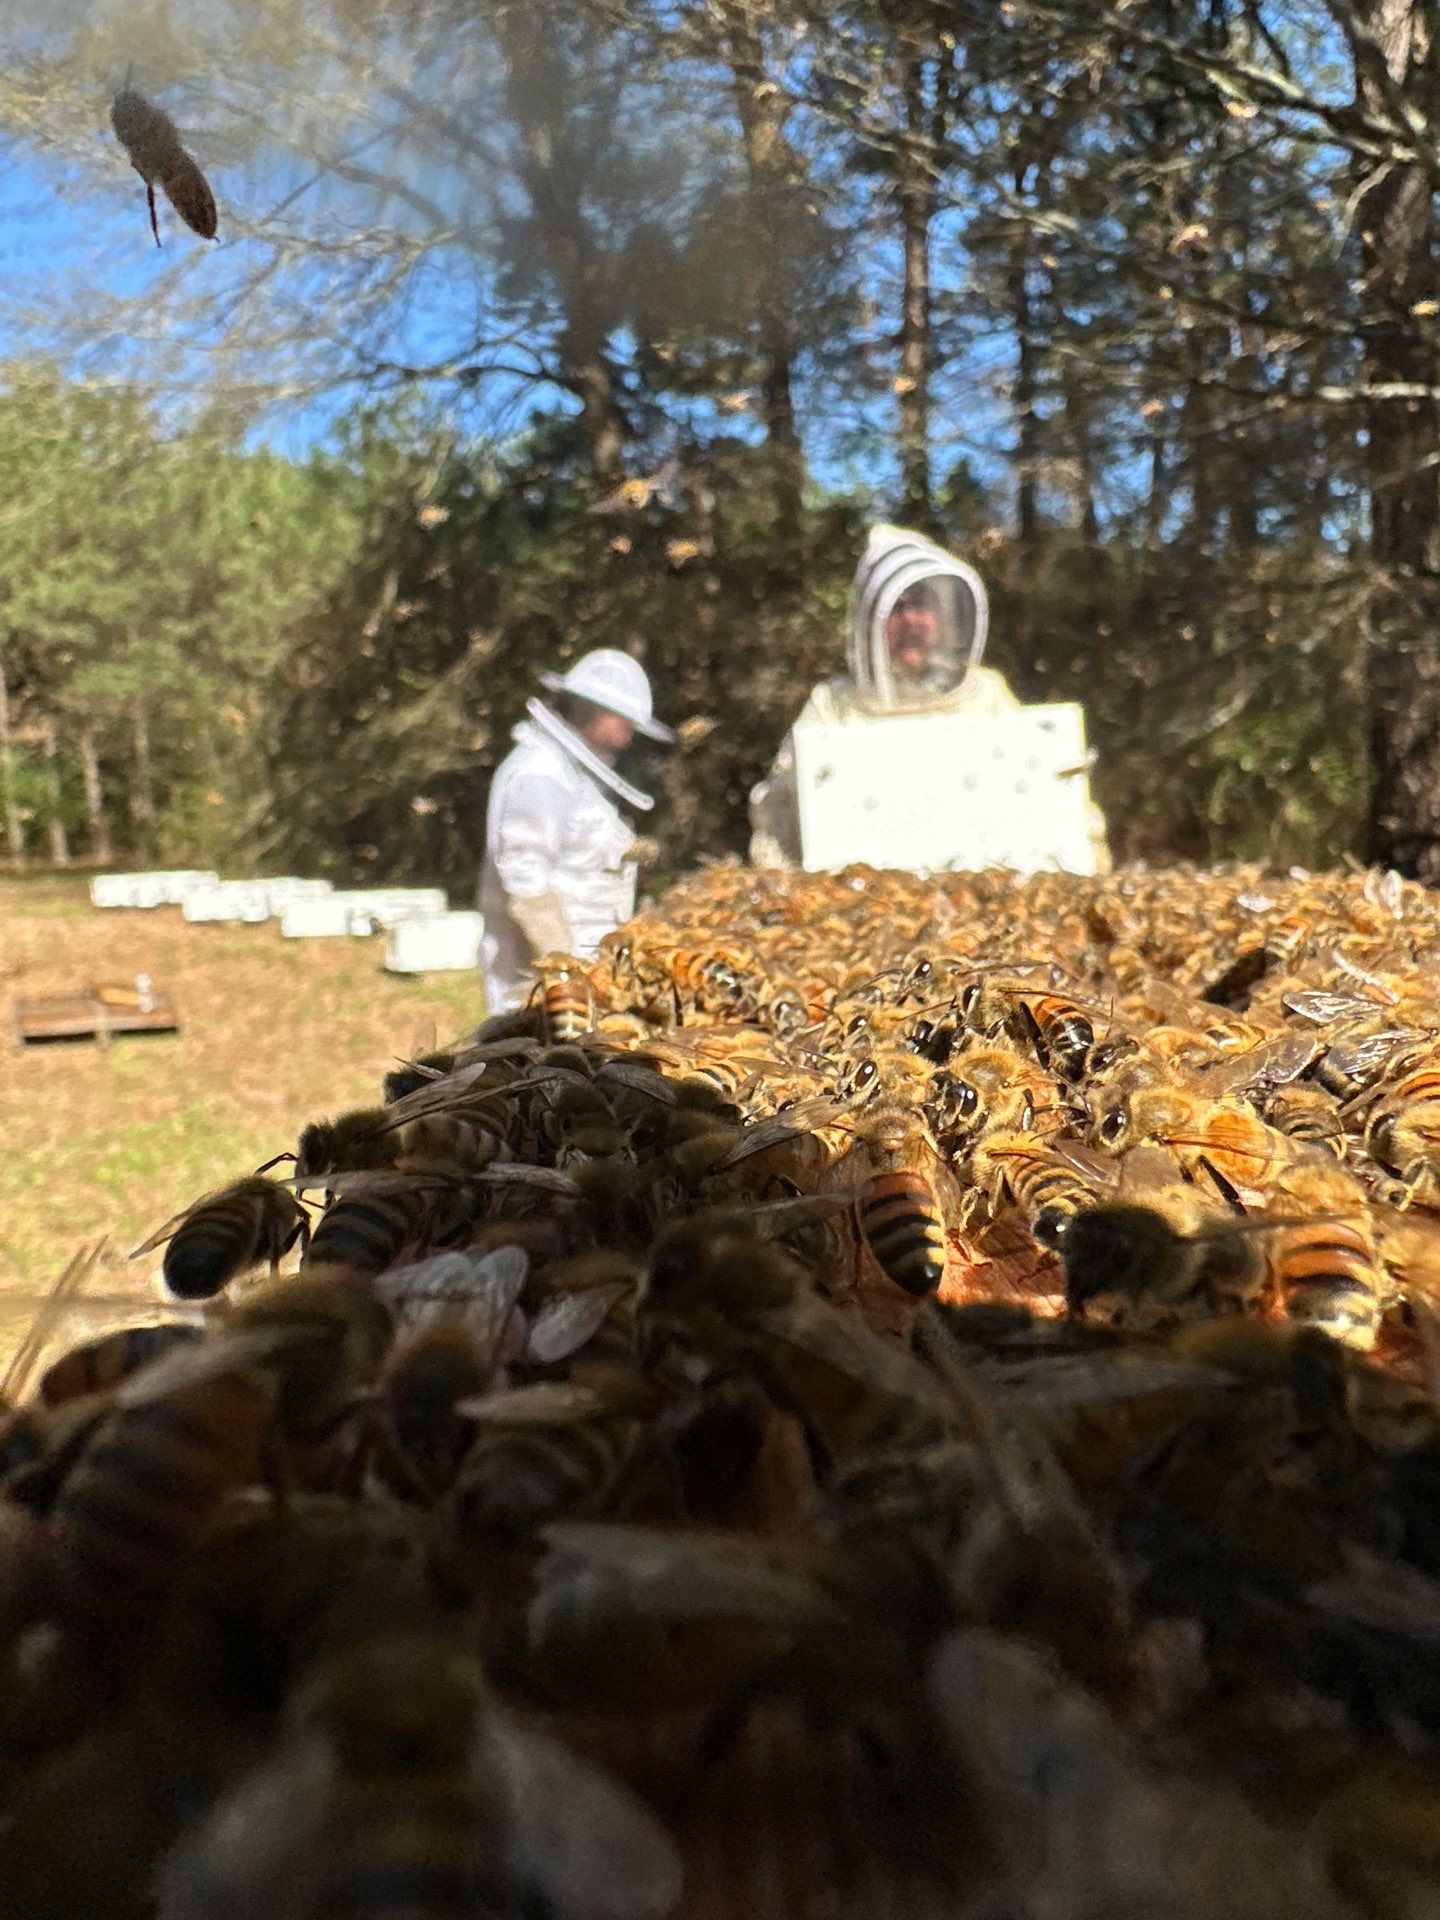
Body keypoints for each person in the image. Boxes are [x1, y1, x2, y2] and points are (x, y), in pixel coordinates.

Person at [749, 524, 1023, 868]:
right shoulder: (832, 705)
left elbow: (1040, 790)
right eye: (898, 607)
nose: (912, 620)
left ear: (942, 617)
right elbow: (779, 821)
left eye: (923, 605)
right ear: (871, 618)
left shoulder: (987, 695)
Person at [480, 648, 673, 1010]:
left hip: (585, 975)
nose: (630, 733)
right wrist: (566, 969)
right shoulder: (539, 773)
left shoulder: (571, 775)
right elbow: (525, 883)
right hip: (542, 990)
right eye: (625, 720)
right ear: (596, 711)